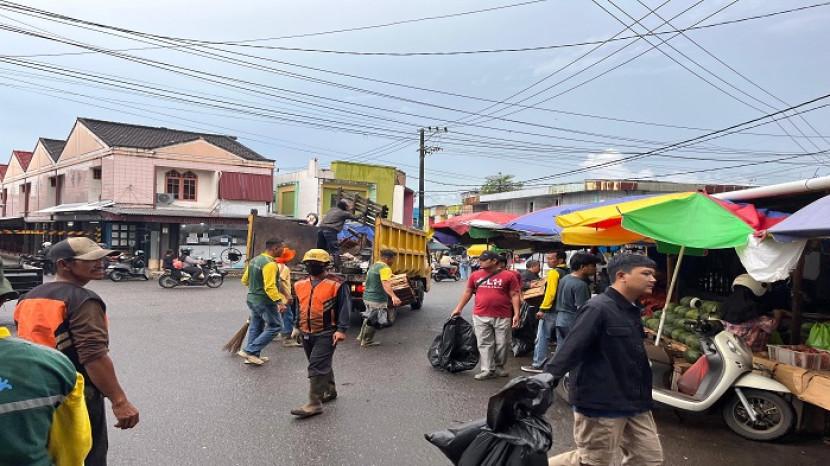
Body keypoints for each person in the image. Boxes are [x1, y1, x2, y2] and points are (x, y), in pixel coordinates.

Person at [14, 237, 140, 466]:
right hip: (75, 393)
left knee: (48, 454)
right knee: (86, 455)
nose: (100, 263)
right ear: (64, 264)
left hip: (34, 390)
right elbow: (93, 356)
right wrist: (119, 401)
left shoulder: (28, 297)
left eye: (101, 258)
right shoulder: (83, 300)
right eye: (91, 259)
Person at [547, 253, 663, 466]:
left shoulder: (631, 309)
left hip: (635, 400)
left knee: (648, 459)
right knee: (593, 461)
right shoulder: (597, 307)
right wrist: (546, 379)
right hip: (602, 402)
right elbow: (571, 348)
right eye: (646, 274)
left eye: (652, 274)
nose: (652, 279)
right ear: (622, 276)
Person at [290, 249, 352, 419]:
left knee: (316, 365)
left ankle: (314, 404)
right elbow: (299, 306)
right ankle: (329, 390)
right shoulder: (300, 284)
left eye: (316, 264)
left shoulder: (337, 284)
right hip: (306, 330)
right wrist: (296, 326)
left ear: (326, 265)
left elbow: (345, 307)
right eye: (309, 264)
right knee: (320, 363)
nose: (312, 266)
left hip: (327, 331)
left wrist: (341, 330)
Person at [450, 250, 521, 380]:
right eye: (480, 259)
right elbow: (468, 292)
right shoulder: (475, 275)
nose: (480, 262)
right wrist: (458, 308)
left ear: (494, 261)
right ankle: (487, 369)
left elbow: (515, 294)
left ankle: (499, 366)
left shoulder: (509, 276)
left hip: (503, 315)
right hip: (480, 315)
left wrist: (516, 314)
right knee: (484, 343)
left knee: (503, 343)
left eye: (484, 260)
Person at [238, 238, 289, 365]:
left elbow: (244, 280)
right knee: (276, 326)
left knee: (256, 326)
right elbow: (270, 287)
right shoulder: (270, 264)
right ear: (275, 248)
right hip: (264, 301)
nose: (283, 251)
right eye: (282, 248)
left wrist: (256, 288)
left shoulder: (255, 260)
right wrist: (279, 302)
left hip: (252, 299)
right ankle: (250, 350)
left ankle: (252, 356)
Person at [521, 252, 568, 373]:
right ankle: (560, 365)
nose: (548, 261)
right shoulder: (568, 272)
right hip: (564, 310)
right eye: (547, 258)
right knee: (561, 339)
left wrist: (542, 309)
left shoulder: (554, 273)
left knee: (542, 336)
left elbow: (550, 293)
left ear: (560, 260)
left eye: (551, 258)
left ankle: (539, 363)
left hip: (551, 310)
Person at [722, 274, 783, 353]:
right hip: (752, 357)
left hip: (731, 354)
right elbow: (773, 325)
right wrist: (778, 313)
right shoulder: (761, 321)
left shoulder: (725, 316)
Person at [357, 249, 402, 347]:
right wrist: (394, 297)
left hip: (367, 297)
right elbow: (385, 283)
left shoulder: (374, 266)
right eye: (393, 259)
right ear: (387, 258)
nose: (393, 262)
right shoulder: (385, 268)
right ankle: (367, 341)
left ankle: (361, 337)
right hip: (376, 299)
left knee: (368, 317)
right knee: (374, 320)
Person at [275, 247, 303, 348]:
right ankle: (288, 338)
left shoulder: (274, 266)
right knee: (288, 317)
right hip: (283, 298)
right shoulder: (284, 268)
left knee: (276, 316)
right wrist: (288, 296)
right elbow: (280, 282)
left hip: (275, 297)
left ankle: (274, 334)